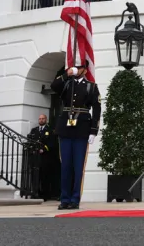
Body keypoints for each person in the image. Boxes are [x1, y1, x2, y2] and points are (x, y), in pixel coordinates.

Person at [50, 61, 101, 210]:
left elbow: (96, 110)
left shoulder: (91, 86)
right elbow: (54, 86)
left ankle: (75, 199)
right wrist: (66, 74)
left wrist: (93, 131)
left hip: (81, 129)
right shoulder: (66, 83)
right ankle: (64, 198)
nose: (76, 69)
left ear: (85, 70)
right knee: (65, 165)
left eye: (79, 68)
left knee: (78, 167)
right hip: (65, 128)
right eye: (75, 67)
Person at [27, 114, 58, 201]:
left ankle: (45, 195)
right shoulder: (34, 130)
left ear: (46, 120)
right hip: (36, 157)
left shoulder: (50, 130)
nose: (41, 120)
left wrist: (44, 149)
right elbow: (30, 140)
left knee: (45, 177)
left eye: (43, 119)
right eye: (40, 119)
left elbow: (52, 143)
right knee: (36, 176)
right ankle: (35, 193)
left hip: (46, 158)